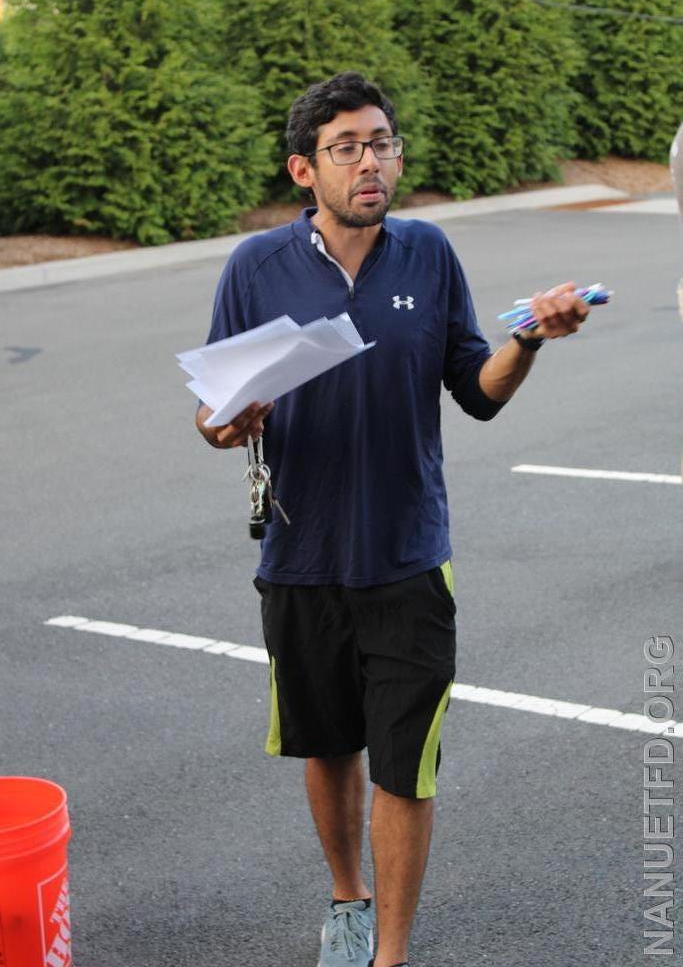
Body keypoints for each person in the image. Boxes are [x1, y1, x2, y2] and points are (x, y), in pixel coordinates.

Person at [195, 71, 590, 967]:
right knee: (326, 745)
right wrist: (227, 422)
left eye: (382, 143)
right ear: (305, 169)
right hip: (301, 553)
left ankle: (389, 955)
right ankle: (347, 901)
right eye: (347, 148)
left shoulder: (428, 253)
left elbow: (476, 392)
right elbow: (212, 411)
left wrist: (525, 339)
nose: (370, 162)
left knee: (405, 765)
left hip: (409, 554)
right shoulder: (253, 267)